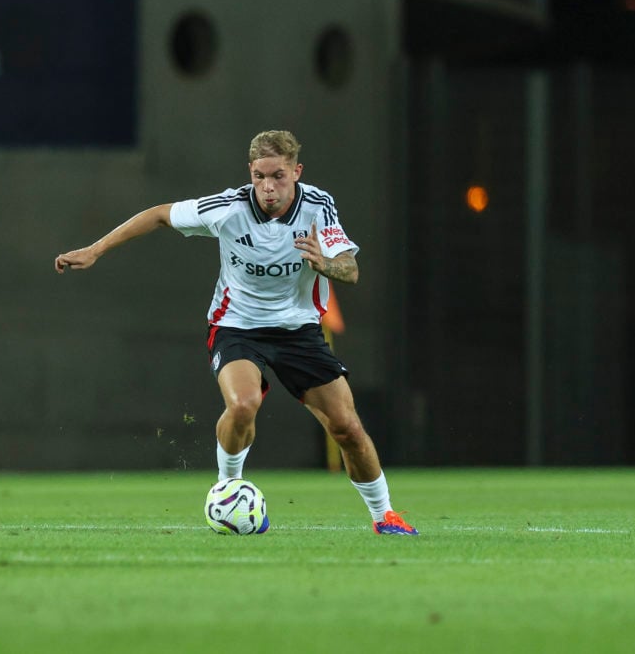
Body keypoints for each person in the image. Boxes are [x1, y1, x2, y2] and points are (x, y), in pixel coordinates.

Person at [55, 130, 417, 535]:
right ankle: (227, 487)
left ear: (296, 172)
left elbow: (350, 269)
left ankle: (384, 515)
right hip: (237, 327)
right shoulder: (227, 208)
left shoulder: (318, 206)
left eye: (278, 176)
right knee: (243, 404)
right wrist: (94, 249)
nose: (267, 186)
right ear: (250, 172)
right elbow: (159, 213)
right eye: (259, 176)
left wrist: (327, 265)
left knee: (346, 427)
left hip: (299, 330)